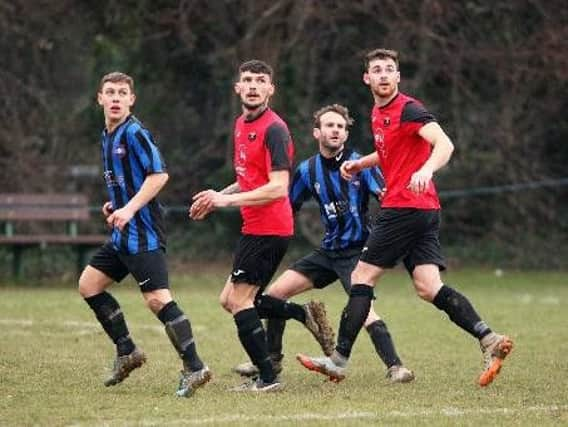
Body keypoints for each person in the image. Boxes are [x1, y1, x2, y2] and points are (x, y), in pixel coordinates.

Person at [297, 49, 513, 387]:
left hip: (403, 208)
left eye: (390, 70)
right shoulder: (378, 112)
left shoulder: (408, 109)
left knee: (361, 278)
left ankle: (338, 360)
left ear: (398, 77)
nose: (383, 75)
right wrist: (359, 164)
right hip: (425, 211)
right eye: (377, 70)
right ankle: (489, 339)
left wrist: (426, 169)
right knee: (428, 287)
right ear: (366, 78)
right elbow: (388, 153)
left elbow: (444, 144)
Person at [233, 104, 414, 383]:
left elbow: (388, 201)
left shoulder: (359, 164)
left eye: (341, 127)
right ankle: (272, 359)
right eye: (330, 125)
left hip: (356, 253)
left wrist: (389, 240)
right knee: (274, 295)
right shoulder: (307, 170)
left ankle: (396, 366)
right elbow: (286, 205)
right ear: (317, 132)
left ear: (346, 133)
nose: (336, 130)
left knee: (364, 310)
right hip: (327, 251)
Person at [189, 60, 332, 392]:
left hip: (270, 228)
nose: (253, 85)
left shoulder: (275, 129)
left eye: (261, 80)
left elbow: (278, 186)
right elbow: (249, 179)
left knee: (240, 302)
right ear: (238, 88)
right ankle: (300, 314)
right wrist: (217, 195)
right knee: (231, 300)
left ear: (271, 89)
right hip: (255, 227)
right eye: (247, 80)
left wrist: (225, 202)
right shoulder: (241, 124)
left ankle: (268, 377)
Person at [78, 72, 211, 398]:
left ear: (131, 100)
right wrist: (115, 206)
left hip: (144, 232)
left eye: (122, 93)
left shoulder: (135, 133)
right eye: (110, 92)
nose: (115, 98)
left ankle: (195, 368)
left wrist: (130, 209)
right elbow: (125, 182)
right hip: (123, 232)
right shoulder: (107, 135)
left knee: (157, 299)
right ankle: (127, 351)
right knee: (89, 285)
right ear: (99, 98)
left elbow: (159, 176)